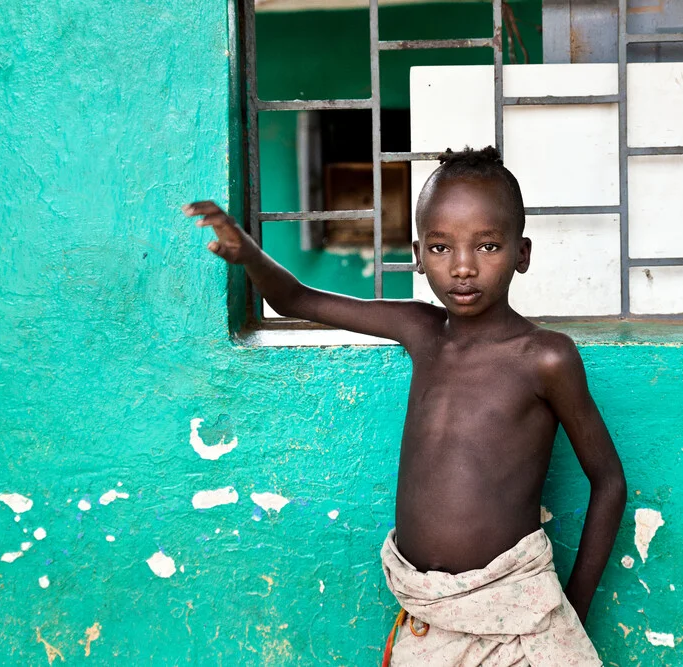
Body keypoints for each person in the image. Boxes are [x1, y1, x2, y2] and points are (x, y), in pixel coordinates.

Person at [183, 146, 626, 667]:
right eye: (441, 248)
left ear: (521, 254)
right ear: (418, 254)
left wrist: (572, 607)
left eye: (487, 245)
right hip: (424, 612)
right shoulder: (420, 330)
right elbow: (297, 301)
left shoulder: (545, 358)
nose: (463, 267)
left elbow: (609, 482)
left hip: (517, 614)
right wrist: (249, 256)